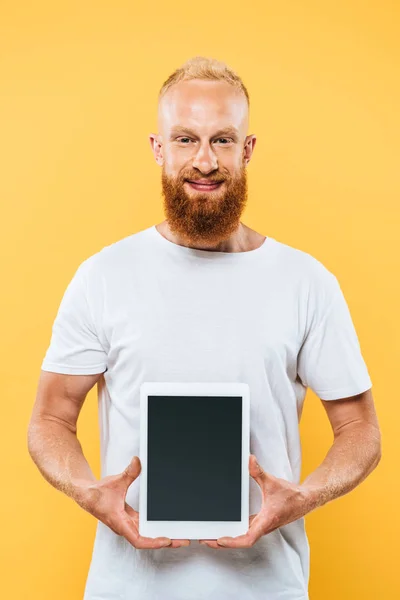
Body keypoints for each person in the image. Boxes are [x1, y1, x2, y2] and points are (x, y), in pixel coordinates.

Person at [28, 56, 381, 600]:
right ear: (158, 148)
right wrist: (88, 490)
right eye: (186, 139)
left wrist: (304, 496)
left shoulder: (306, 281)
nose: (205, 160)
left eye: (222, 140)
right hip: (129, 588)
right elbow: (51, 417)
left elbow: (360, 431)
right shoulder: (103, 276)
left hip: (268, 588)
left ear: (247, 149)